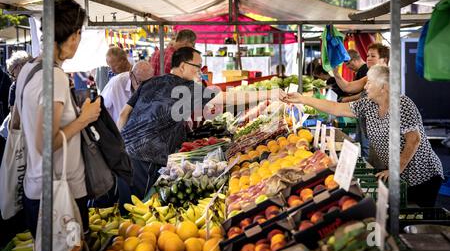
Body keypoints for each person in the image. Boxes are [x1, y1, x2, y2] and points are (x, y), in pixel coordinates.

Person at [118, 47, 279, 200]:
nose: (199, 71)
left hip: (123, 149)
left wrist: (120, 143)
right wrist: (270, 93)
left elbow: (123, 114)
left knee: (124, 198)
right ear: (182, 66)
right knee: (139, 202)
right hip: (146, 155)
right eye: (197, 67)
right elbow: (227, 99)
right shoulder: (186, 88)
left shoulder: (152, 82)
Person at [280, 65, 444, 207]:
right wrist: (302, 100)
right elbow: (337, 108)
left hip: (422, 174)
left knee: (413, 218)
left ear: (383, 87)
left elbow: (414, 139)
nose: (365, 87)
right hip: (398, 176)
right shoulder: (368, 104)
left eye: (370, 83)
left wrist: (395, 170)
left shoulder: (402, 104)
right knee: (396, 213)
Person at [15, 0, 101, 238]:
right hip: (61, 193)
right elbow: (45, 143)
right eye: (80, 35)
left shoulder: (27, 70)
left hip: (35, 188)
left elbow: (18, 123)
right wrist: (84, 118)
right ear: (74, 36)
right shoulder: (56, 77)